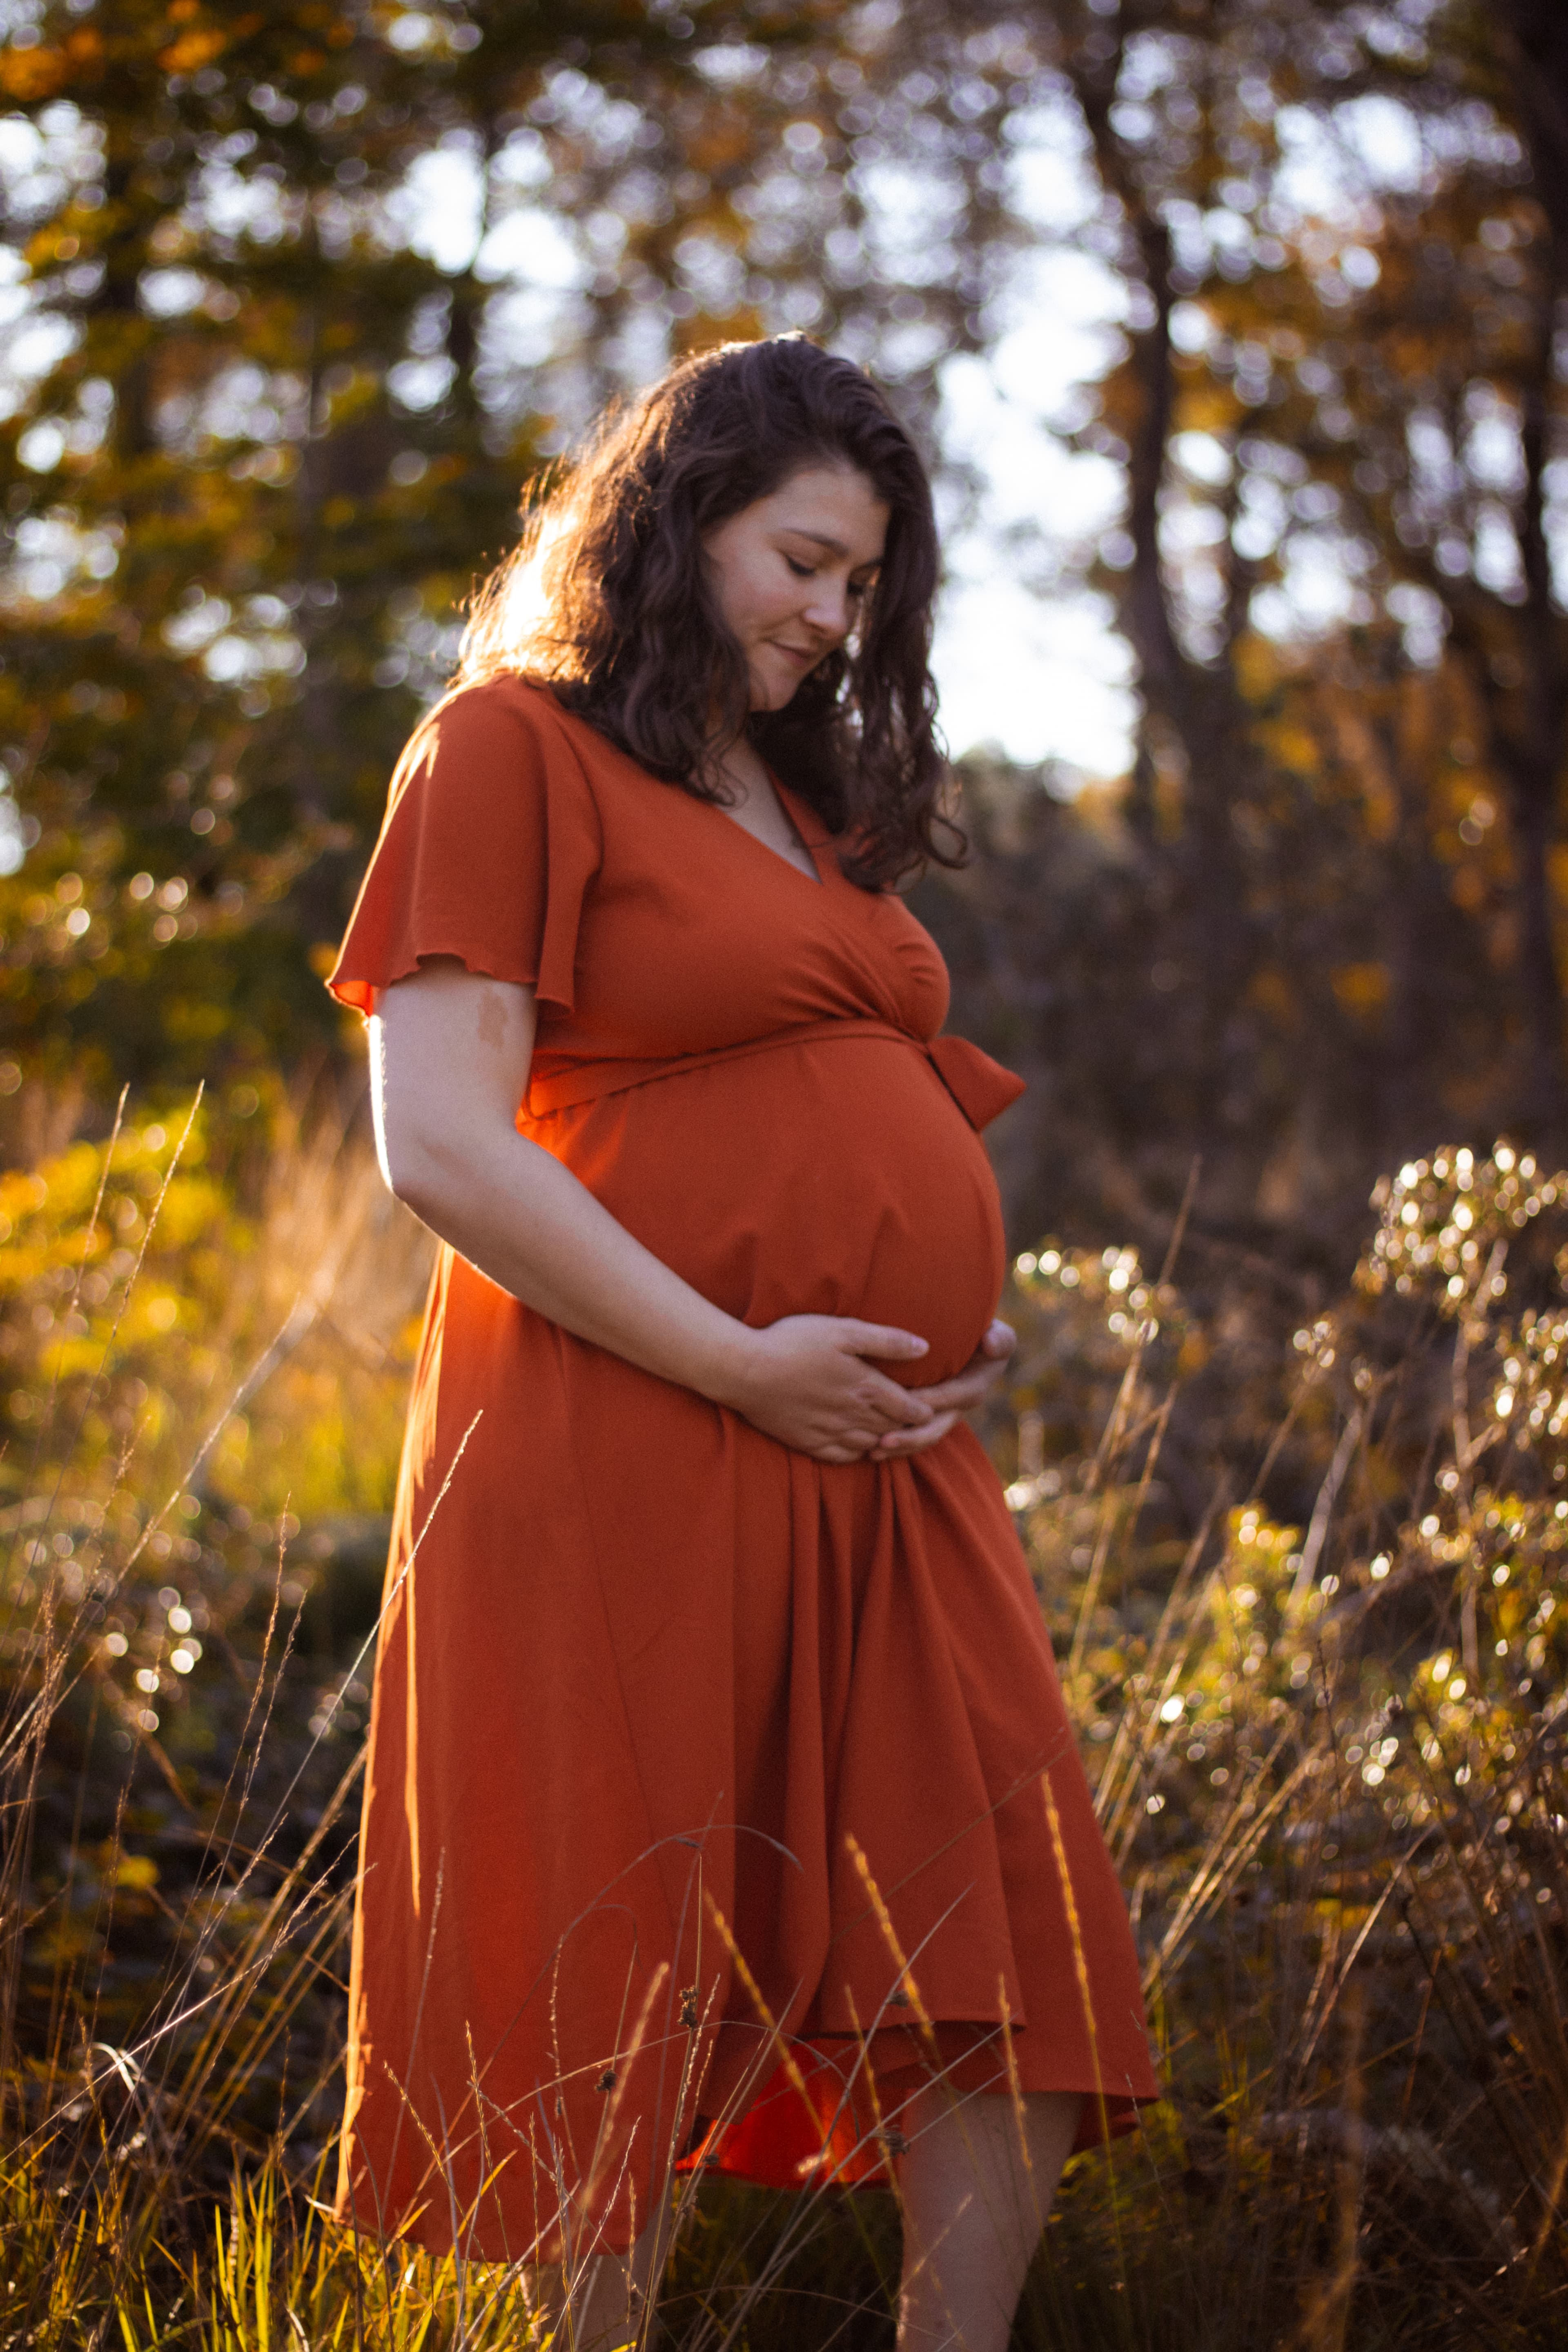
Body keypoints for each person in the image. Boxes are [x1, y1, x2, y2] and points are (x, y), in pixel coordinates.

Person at [327, 334, 1157, 2351]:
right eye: (802, 558)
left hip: (877, 1456)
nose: (831, 615)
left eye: (865, 585)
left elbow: (858, 1106)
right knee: (604, 1960)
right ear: (677, 520)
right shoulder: (508, 749)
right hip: (630, 1422)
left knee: (1006, 1934)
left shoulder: (803, 797)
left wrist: (935, 1324)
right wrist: (736, 1353)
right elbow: (438, 1137)